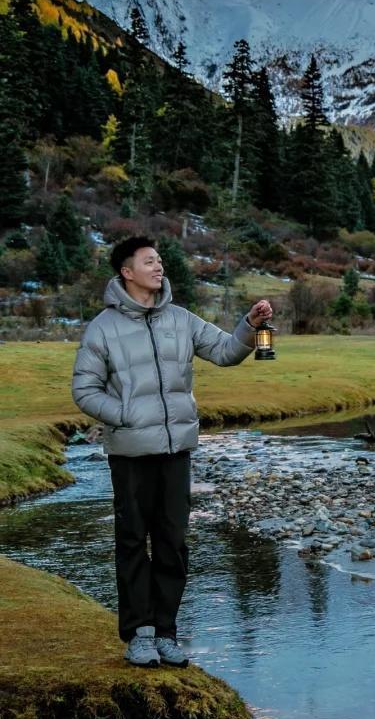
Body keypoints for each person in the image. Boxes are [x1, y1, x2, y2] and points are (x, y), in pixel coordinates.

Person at [72, 236, 272, 668]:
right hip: (128, 452)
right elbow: (83, 390)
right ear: (127, 272)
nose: (159, 267)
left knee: (173, 543)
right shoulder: (102, 328)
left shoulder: (181, 319)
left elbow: (224, 352)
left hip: (176, 450)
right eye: (149, 261)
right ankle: (138, 635)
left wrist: (250, 324)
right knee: (131, 542)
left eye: (160, 260)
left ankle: (166, 632)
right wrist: (122, 414)